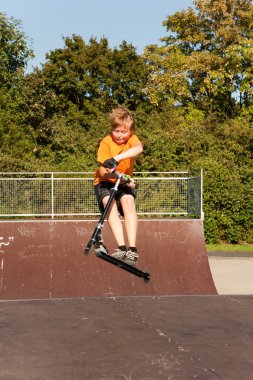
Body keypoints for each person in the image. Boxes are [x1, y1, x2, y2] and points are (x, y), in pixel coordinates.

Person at [94, 106, 143, 266]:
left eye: (124, 132)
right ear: (112, 129)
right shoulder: (106, 142)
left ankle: (132, 250)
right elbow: (102, 171)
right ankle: (121, 247)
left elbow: (138, 149)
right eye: (116, 131)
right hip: (105, 182)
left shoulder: (132, 140)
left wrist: (116, 158)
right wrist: (121, 177)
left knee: (128, 202)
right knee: (110, 205)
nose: (120, 135)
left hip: (124, 181)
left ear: (130, 131)